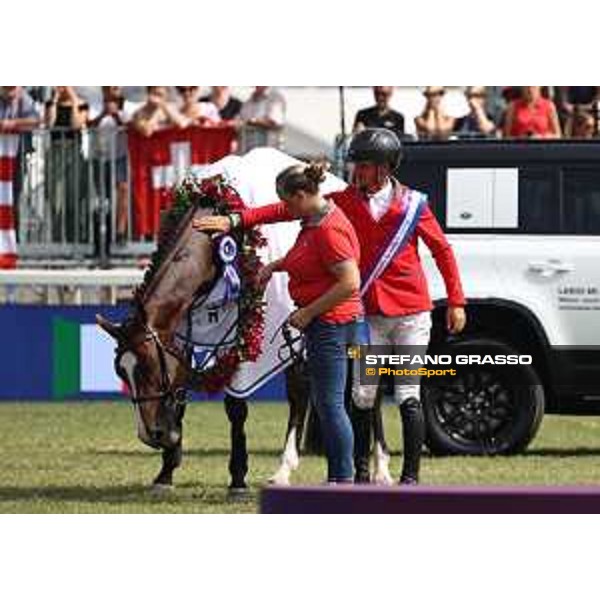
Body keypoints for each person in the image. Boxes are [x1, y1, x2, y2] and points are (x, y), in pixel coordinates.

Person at [194, 129, 467, 485]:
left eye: (365, 166)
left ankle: (410, 478)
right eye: (356, 165)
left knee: (407, 395)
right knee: (364, 395)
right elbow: (287, 207)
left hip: (411, 313)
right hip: (369, 314)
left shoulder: (414, 204)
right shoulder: (344, 201)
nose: (357, 172)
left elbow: (442, 250)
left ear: (385, 168)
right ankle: (362, 475)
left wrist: (456, 300)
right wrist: (237, 219)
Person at [200, 163, 363, 484]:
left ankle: (342, 482)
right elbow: (281, 220)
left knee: (330, 405)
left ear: (302, 195)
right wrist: (274, 262)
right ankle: (342, 478)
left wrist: (307, 312)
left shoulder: (329, 229)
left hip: (332, 324)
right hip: (331, 323)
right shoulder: (314, 215)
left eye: (289, 202)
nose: (286, 209)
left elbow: (350, 282)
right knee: (331, 404)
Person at [88, 86, 134, 248]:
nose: (113, 90)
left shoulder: (126, 106)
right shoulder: (94, 104)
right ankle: (102, 237)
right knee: (102, 198)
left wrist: (115, 115)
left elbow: (131, 126)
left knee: (123, 189)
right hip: (99, 157)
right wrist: (103, 114)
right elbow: (88, 125)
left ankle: (120, 231)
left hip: (119, 156)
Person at [44, 87, 90, 243]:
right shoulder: (51, 103)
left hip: (73, 150)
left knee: (73, 199)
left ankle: (74, 241)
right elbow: (49, 123)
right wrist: (55, 100)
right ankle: (57, 243)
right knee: (55, 201)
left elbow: (76, 124)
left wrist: (73, 98)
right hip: (56, 151)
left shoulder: (82, 103)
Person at [0, 87, 41, 233]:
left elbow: (36, 120)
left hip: (16, 156)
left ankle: (12, 236)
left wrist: (13, 123)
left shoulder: (24, 99)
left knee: (13, 195)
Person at [239, 87, 286, 151]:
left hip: (268, 151)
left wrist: (253, 121)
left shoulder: (275, 97)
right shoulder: (249, 100)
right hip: (248, 150)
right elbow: (242, 120)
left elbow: (275, 123)